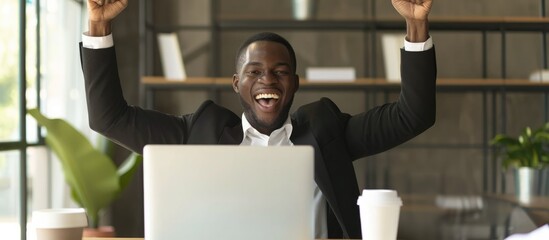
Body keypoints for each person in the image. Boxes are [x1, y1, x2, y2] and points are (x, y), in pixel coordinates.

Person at [80, 0, 436, 238]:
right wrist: (98, 25)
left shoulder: (327, 132)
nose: (268, 80)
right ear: (237, 85)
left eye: (280, 71)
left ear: (294, 84)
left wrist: (415, 25)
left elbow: (412, 115)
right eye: (255, 72)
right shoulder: (199, 132)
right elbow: (108, 117)